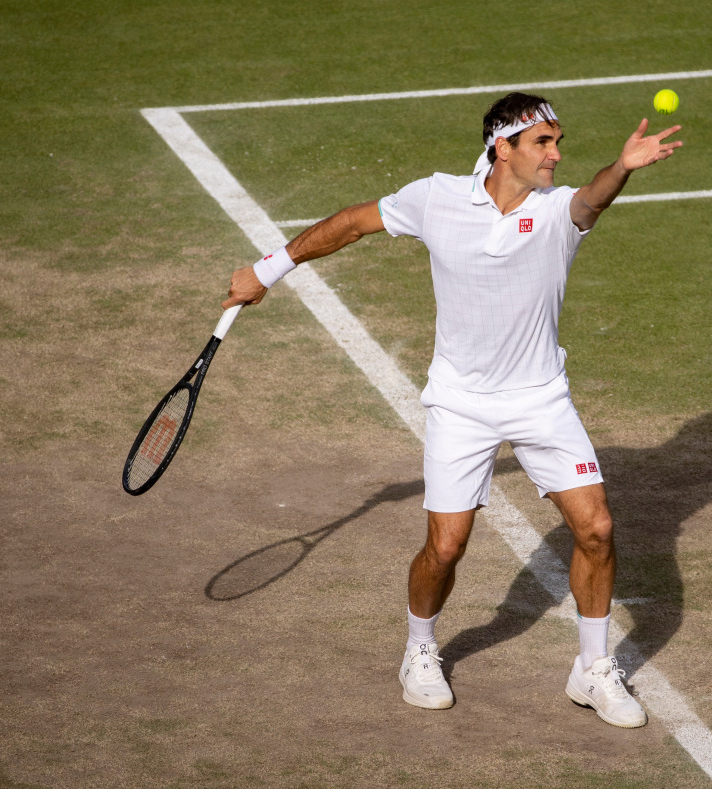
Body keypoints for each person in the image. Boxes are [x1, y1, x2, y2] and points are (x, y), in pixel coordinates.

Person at [223, 92, 682, 728]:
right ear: (503, 146)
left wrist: (624, 166)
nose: (555, 155)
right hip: (461, 405)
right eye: (543, 143)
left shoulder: (557, 211)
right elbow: (354, 222)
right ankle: (419, 648)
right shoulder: (436, 197)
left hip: (540, 399)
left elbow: (591, 199)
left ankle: (592, 668)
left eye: (559, 143)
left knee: (597, 529)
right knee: (446, 546)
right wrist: (268, 270)